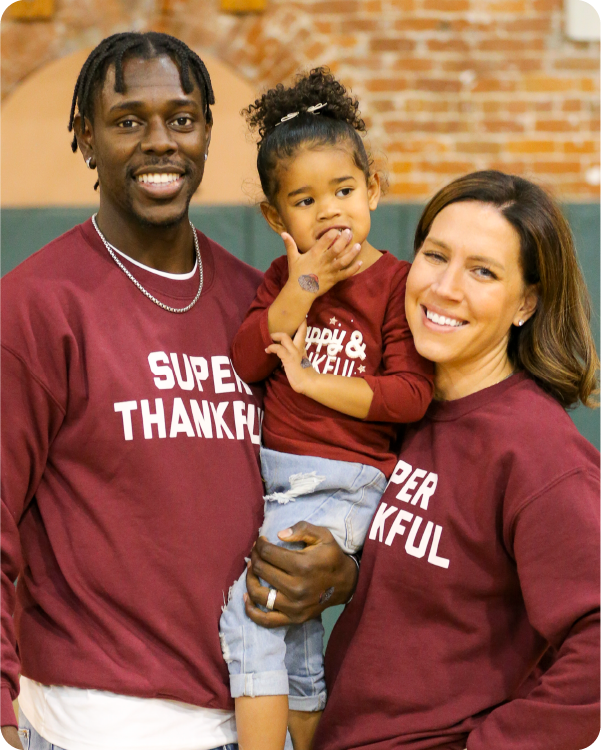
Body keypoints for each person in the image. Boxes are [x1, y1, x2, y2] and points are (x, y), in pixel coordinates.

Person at [0, 32, 356, 750]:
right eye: (128, 121)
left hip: (257, 718)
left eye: (182, 119)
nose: (160, 141)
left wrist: (341, 569)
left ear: (206, 133)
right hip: (100, 725)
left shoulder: (261, 304)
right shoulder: (35, 306)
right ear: (86, 137)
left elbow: (327, 466)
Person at [307, 170, 601, 750]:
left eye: (482, 271)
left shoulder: (537, 449)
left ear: (526, 303)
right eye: (435, 256)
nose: (444, 288)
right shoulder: (394, 412)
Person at [219, 69, 434, 750]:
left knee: (254, 611)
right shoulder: (287, 280)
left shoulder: (396, 283)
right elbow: (249, 358)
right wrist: (306, 285)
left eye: (344, 190)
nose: (330, 211)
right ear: (276, 218)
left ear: (374, 189)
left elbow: (409, 394)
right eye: (305, 200)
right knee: (297, 633)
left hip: (342, 482)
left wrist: (311, 383)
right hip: (279, 482)